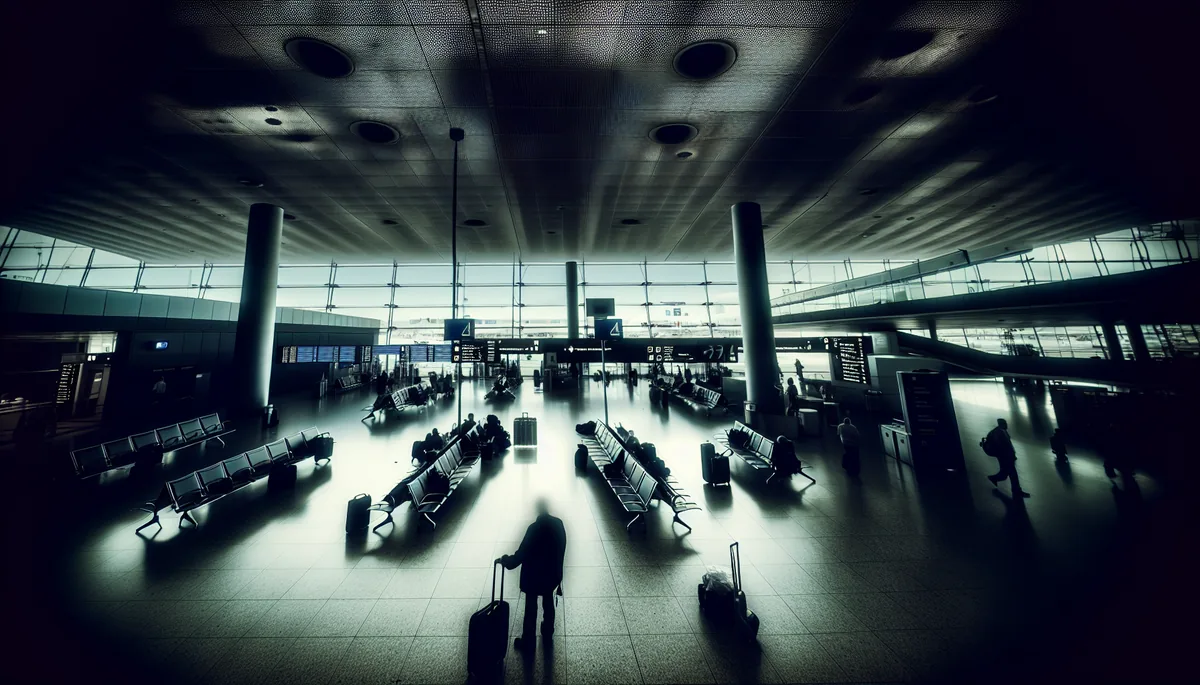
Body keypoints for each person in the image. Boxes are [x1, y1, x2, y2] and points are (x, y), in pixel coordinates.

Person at [499, 498, 566, 654]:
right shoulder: (558, 524)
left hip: (533, 577)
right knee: (548, 601)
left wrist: (506, 561)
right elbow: (562, 547)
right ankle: (548, 632)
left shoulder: (534, 529)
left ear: (536, 510)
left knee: (531, 607)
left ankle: (528, 641)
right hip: (551, 574)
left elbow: (521, 554)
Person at [984, 418, 1029, 497]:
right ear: (1002, 424)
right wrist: (1011, 456)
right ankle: (1016, 491)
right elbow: (1005, 446)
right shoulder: (1000, 433)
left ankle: (994, 478)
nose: (1007, 425)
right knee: (1012, 474)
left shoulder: (999, 431)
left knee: (1004, 473)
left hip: (1004, 457)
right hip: (1005, 457)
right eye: (1005, 423)